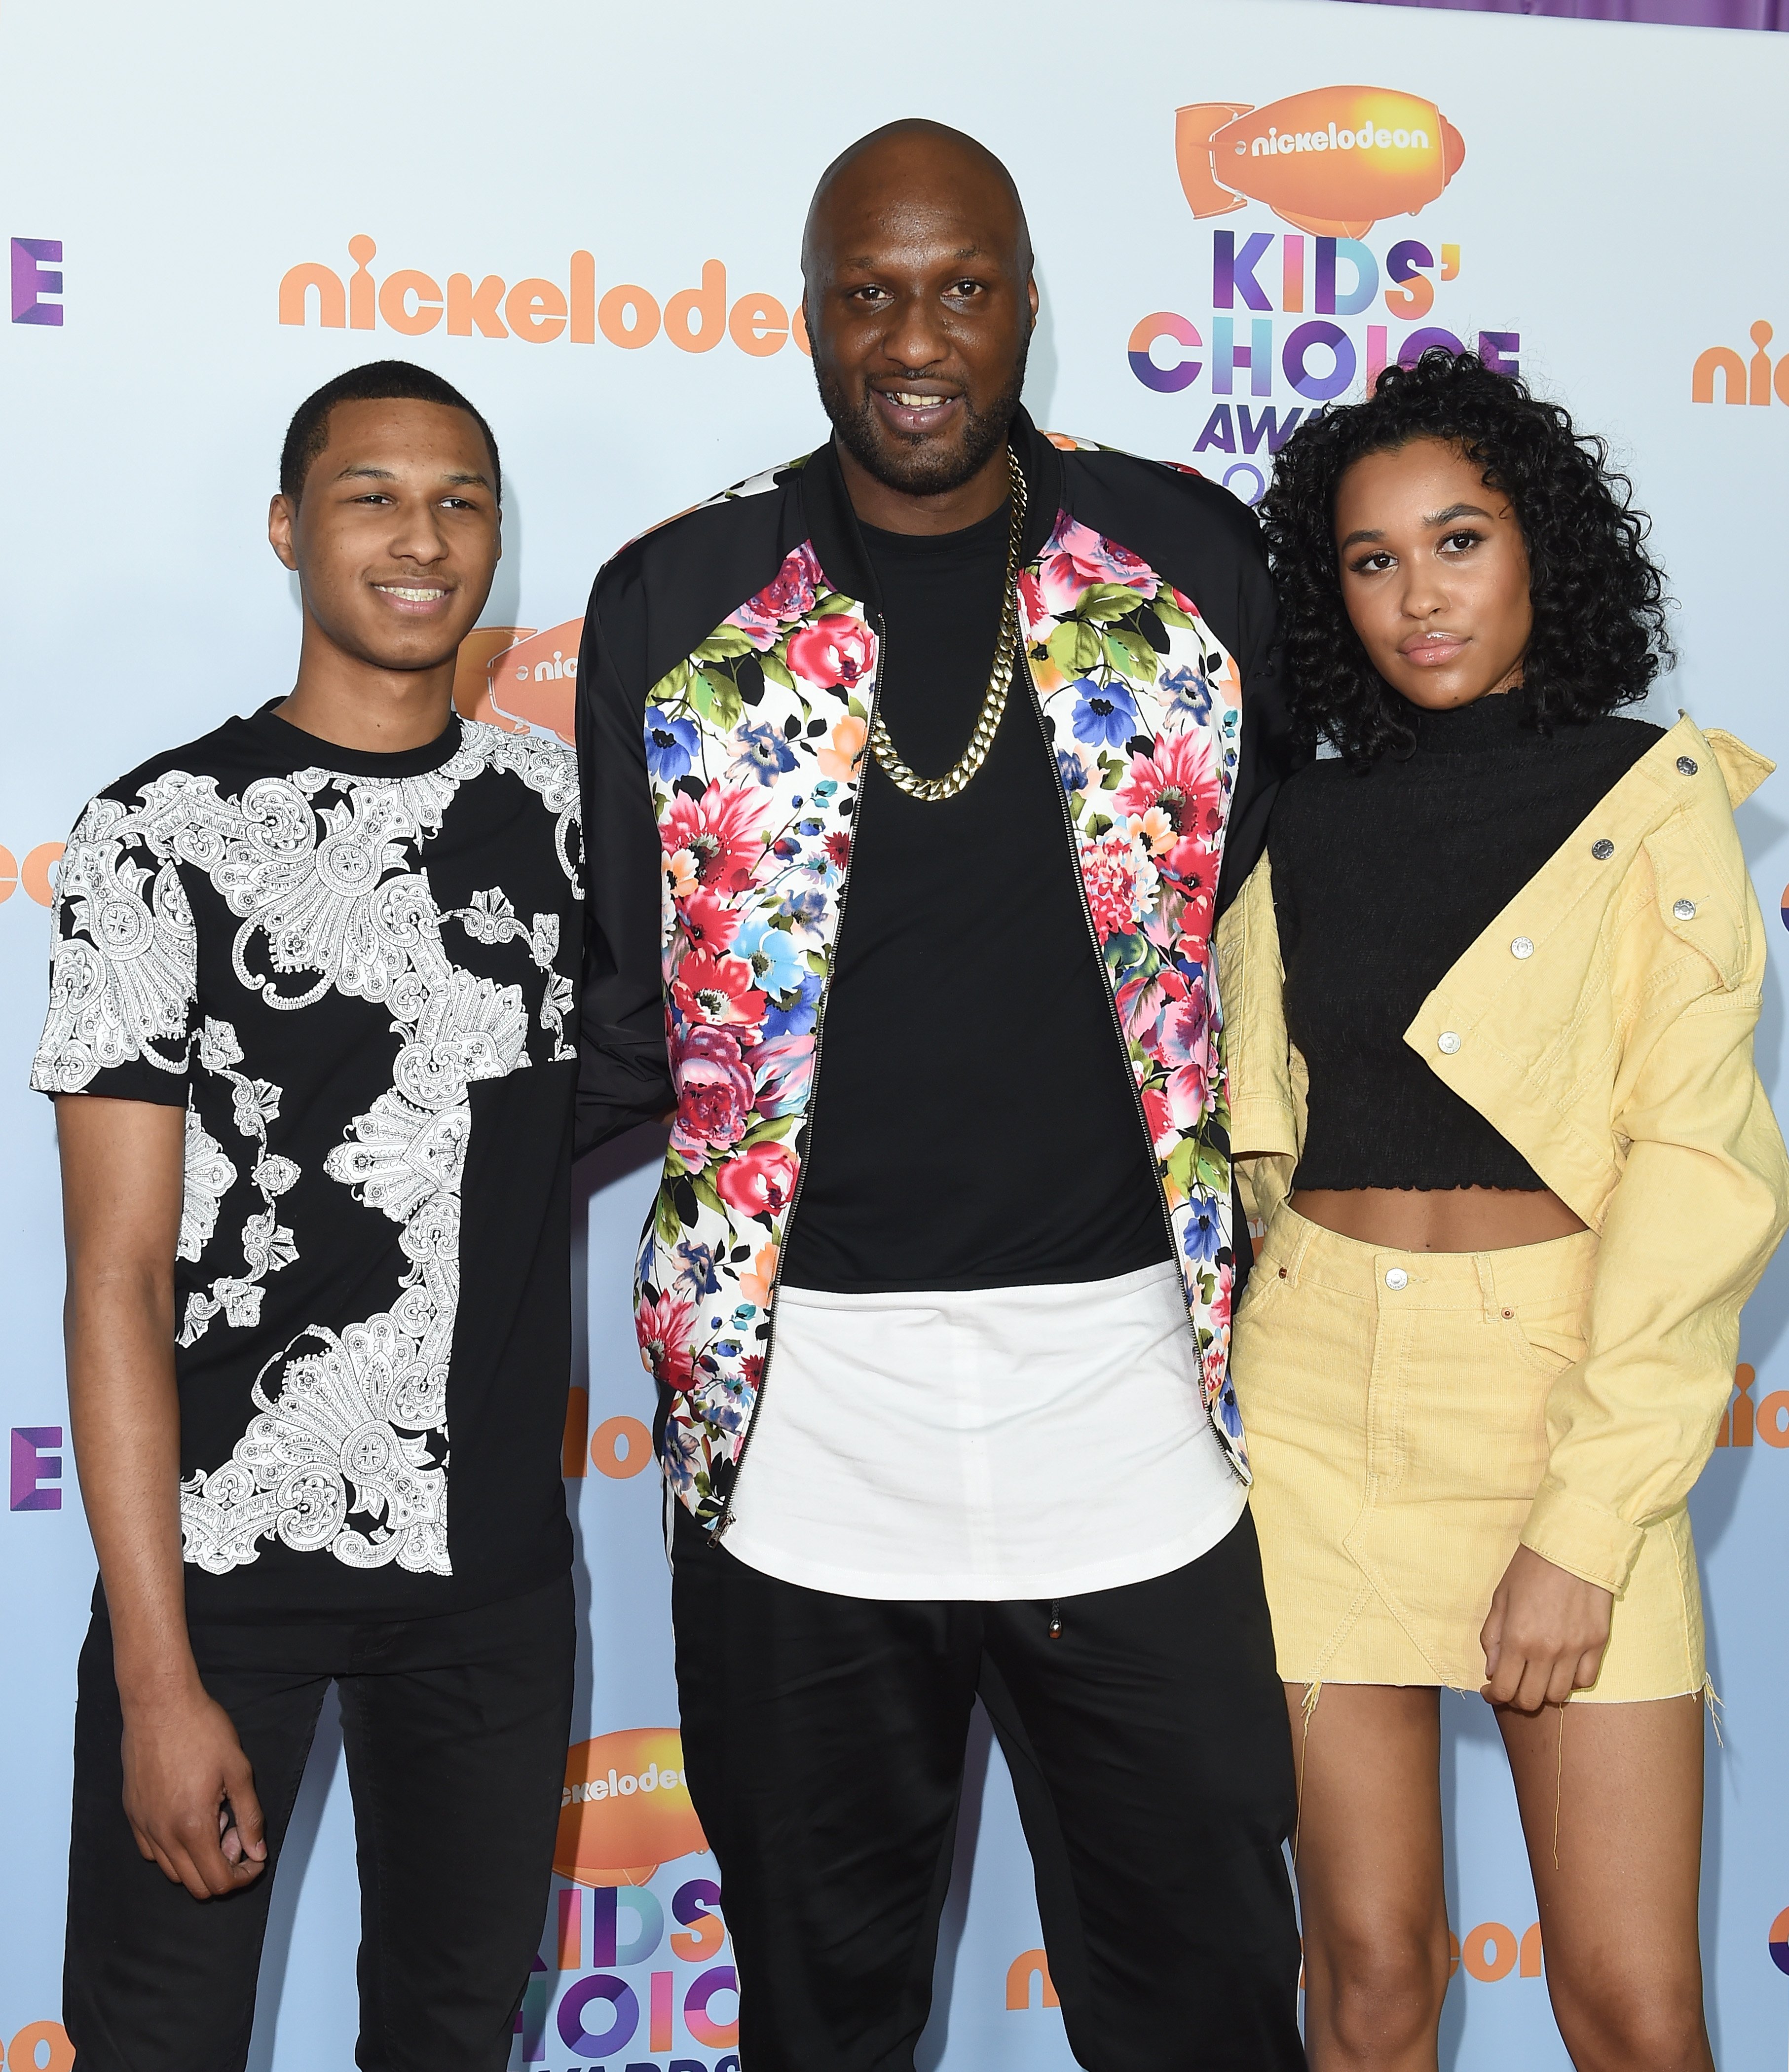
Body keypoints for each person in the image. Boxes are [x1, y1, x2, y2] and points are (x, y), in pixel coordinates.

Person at [577, 118, 1304, 2071]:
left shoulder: (1195, 565)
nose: (917, 335)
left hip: (1129, 1411)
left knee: (1213, 2007)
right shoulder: (674, 604)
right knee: (823, 2020)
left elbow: (1267, 954)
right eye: (871, 292)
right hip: (799, 1422)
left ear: (1028, 311)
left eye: (960, 289)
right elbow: (625, 1015)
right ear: (811, 315)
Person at [1224, 349, 1789, 2072]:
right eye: (1371, 558)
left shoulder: (1649, 797)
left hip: (1564, 1396)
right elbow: (1254, 1137)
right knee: (1370, 1985)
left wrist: (1587, 1514)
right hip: (1315, 1400)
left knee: (1629, 2007)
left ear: (1538, 548)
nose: (1418, 593)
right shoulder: (1295, 818)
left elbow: (1698, 1178)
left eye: (1455, 540)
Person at [33, 360, 583, 2072]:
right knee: (157, 2042)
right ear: (288, 529)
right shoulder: (156, 837)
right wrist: (152, 1675)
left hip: (489, 1591)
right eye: (372, 496)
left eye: (461, 501)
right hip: (218, 1586)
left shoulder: (568, 825)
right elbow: (115, 1279)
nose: (423, 540)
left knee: (449, 2038)